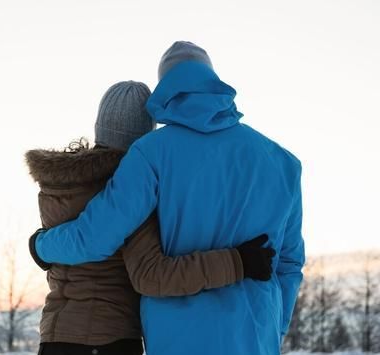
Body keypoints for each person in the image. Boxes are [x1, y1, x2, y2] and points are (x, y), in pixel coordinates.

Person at [30, 42, 305, 355]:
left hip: (176, 338)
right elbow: (289, 263)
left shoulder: (151, 154)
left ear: (166, 89)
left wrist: (41, 245)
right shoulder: (283, 163)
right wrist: (273, 327)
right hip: (255, 335)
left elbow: (94, 238)